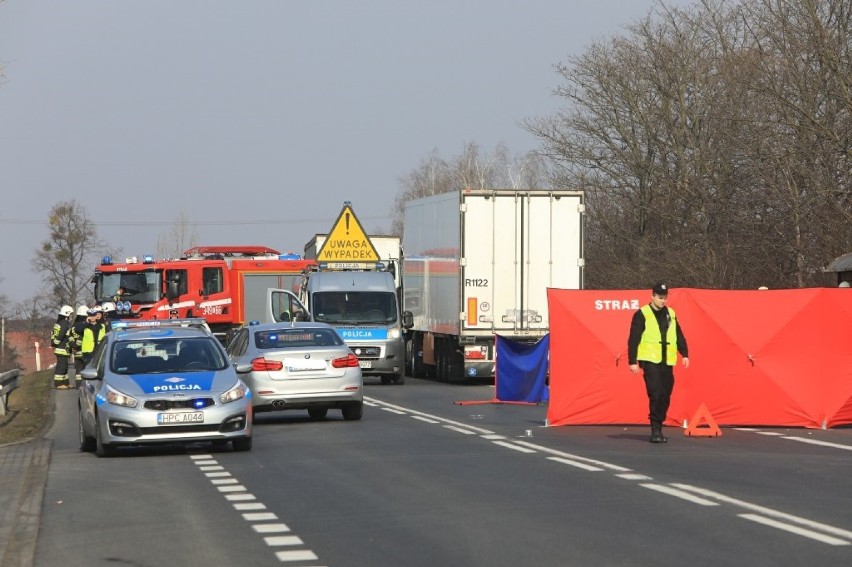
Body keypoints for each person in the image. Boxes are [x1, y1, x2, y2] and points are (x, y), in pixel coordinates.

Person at [627, 282, 690, 444]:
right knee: (655, 393)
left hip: (667, 361)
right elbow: (634, 338)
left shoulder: (671, 313)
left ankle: (659, 425)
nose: (663, 301)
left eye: (665, 298)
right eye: (660, 298)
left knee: (665, 395)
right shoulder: (642, 314)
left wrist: (685, 353)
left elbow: (678, 334)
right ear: (652, 296)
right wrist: (632, 361)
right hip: (650, 360)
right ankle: (655, 429)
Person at [51, 305, 75, 389]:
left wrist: (54, 344)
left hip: (61, 348)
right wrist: (57, 343)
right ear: (66, 314)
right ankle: (58, 383)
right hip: (62, 348)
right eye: (70, 314)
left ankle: (65, 382)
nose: (71, 316)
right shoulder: (65, 323)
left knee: (64, 366)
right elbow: (61, 335)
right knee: (61, 366)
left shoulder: (59, 323)